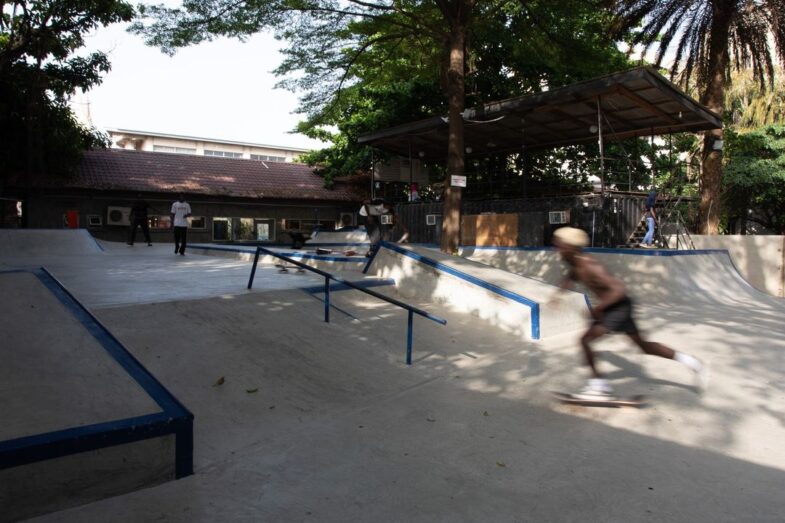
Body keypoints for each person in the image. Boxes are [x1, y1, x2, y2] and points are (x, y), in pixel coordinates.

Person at [551, 226, 707, 400]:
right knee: (644, 346)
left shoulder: (589, 265)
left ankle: (598, 386)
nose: (557, 250)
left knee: (585, 340)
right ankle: (692, 363)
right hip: (618, 307)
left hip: (616, 307)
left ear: (571, 248)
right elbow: (570, 277)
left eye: (560, 246)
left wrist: (598, 308)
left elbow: (618, 290)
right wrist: (557, 295)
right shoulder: (576, 264)